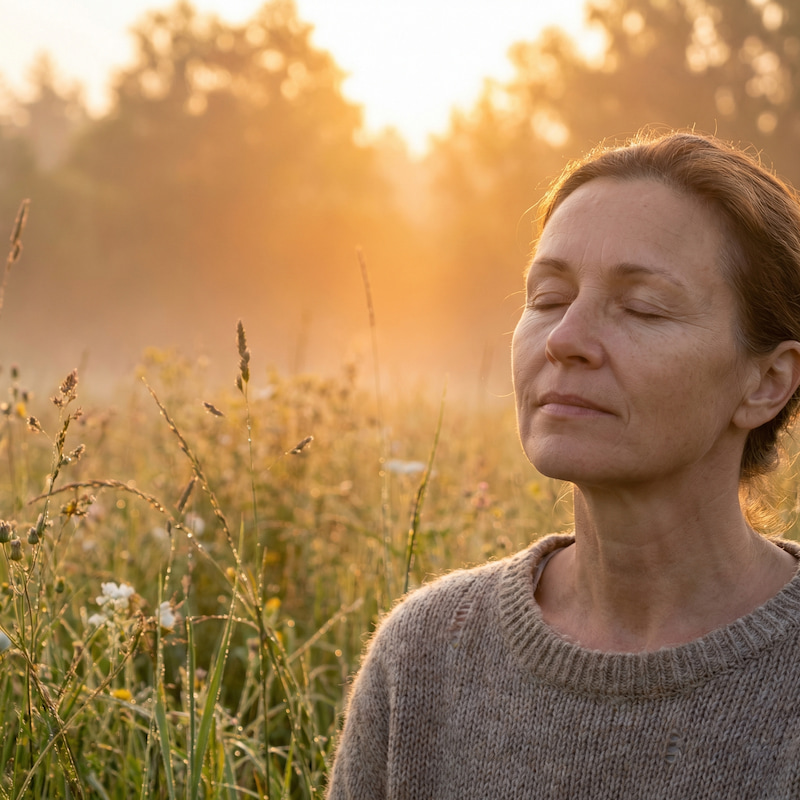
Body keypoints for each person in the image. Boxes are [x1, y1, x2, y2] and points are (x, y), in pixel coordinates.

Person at [325, 130, 800, 799]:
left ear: (767, 382)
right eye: (548, 298)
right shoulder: (424, 655)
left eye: (642, 307)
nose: (565, 340)